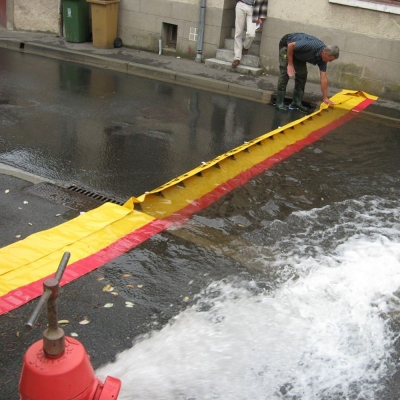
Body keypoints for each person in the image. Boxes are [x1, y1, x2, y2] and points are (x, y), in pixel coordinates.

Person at [275, 33, 339, 112]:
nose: (330, 62)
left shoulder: (323, 59)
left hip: (299, 55)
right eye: (330, 60)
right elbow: (291, 45)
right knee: (285, 73)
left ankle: (296, 102)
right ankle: (279, 103)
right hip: (287, 47)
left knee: (302, 74)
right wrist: (290, 64)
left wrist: (325, 98)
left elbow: (323, 78)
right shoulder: (312, 45)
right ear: (325, 53)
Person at [232, 0, 268, 67]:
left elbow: (264, 2)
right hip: (241, 5)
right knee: (238, 32)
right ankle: (237, 57)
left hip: (253, 9)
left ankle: (245, 47)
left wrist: (260, 17)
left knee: (251, 34)